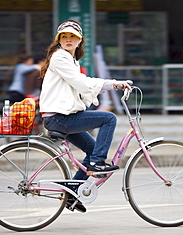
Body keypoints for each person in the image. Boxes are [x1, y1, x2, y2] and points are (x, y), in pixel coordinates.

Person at [39, 20, 130, 212]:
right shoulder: (60, 57)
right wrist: (112, 84)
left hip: (63, 116)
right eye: (64, 36)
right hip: (59, 118)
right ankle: (98, 163)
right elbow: (81, 82)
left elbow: (80, 86)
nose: (68, 39)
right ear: (59, 40)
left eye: (73, 36)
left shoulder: (70, 59)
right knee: (109, 118)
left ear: (80, 40)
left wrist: (107, 86)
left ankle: (71, 195)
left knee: (91, 148)